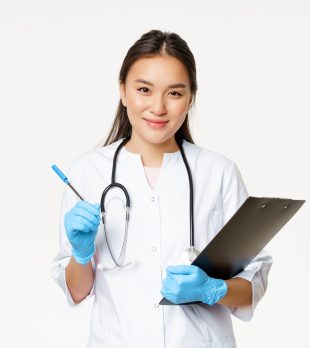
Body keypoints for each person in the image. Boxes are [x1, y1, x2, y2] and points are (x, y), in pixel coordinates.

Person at [51, 29, 273, 348]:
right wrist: (81, 254)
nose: (158, 107)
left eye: (174, 93)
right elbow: (77, 290)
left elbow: (255, 280)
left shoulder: (218, 172)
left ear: (190, 97)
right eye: (144, 89)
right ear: (123, 91)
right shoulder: (88, 172)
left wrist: (214, 289)